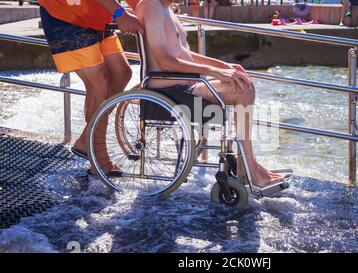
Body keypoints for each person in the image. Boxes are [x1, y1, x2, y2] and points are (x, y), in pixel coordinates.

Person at [136, 0, 288, 189]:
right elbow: (165, 61)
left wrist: (223, 66)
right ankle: (248, 166)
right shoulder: (152, 6)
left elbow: (184, 55)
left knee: (244, 83)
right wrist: (215, 72)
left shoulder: (166, 9)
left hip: (184, 84)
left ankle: (247, 164)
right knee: (241, 89)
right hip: (168, 89)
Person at [38, 0, 144, 174]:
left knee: (122, 73)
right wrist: (120, 14)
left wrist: (151, 8)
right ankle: (99, 160)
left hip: (97, 14)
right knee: (99, 83)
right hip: (66, 15)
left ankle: (87, 141)